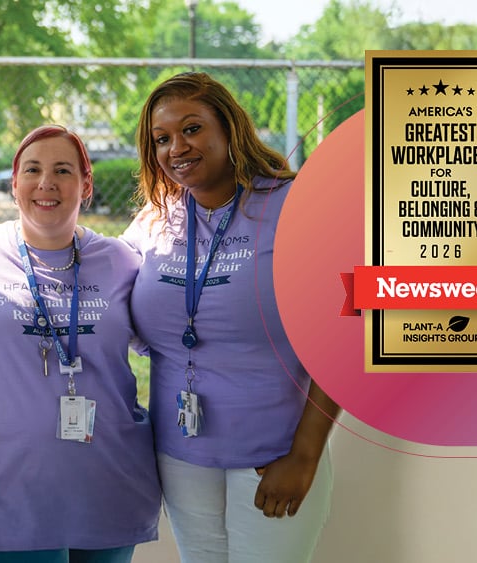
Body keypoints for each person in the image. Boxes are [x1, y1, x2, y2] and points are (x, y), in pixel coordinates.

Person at [0, 125, 161, 563]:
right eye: (33, 170)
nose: (46, 183)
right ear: (15, 182)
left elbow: (165, 339)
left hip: (106, 484)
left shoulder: (121, 262)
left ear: (86, 184)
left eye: (63, 170)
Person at [121, 72, 339, 563]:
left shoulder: (294, 205)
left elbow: (346, 334)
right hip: (180, 454)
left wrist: (304, 455)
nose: (177, 147)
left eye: (192, 129)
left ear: (229, 129)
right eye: (162, 139)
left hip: (274, 454)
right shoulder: (156, 218)